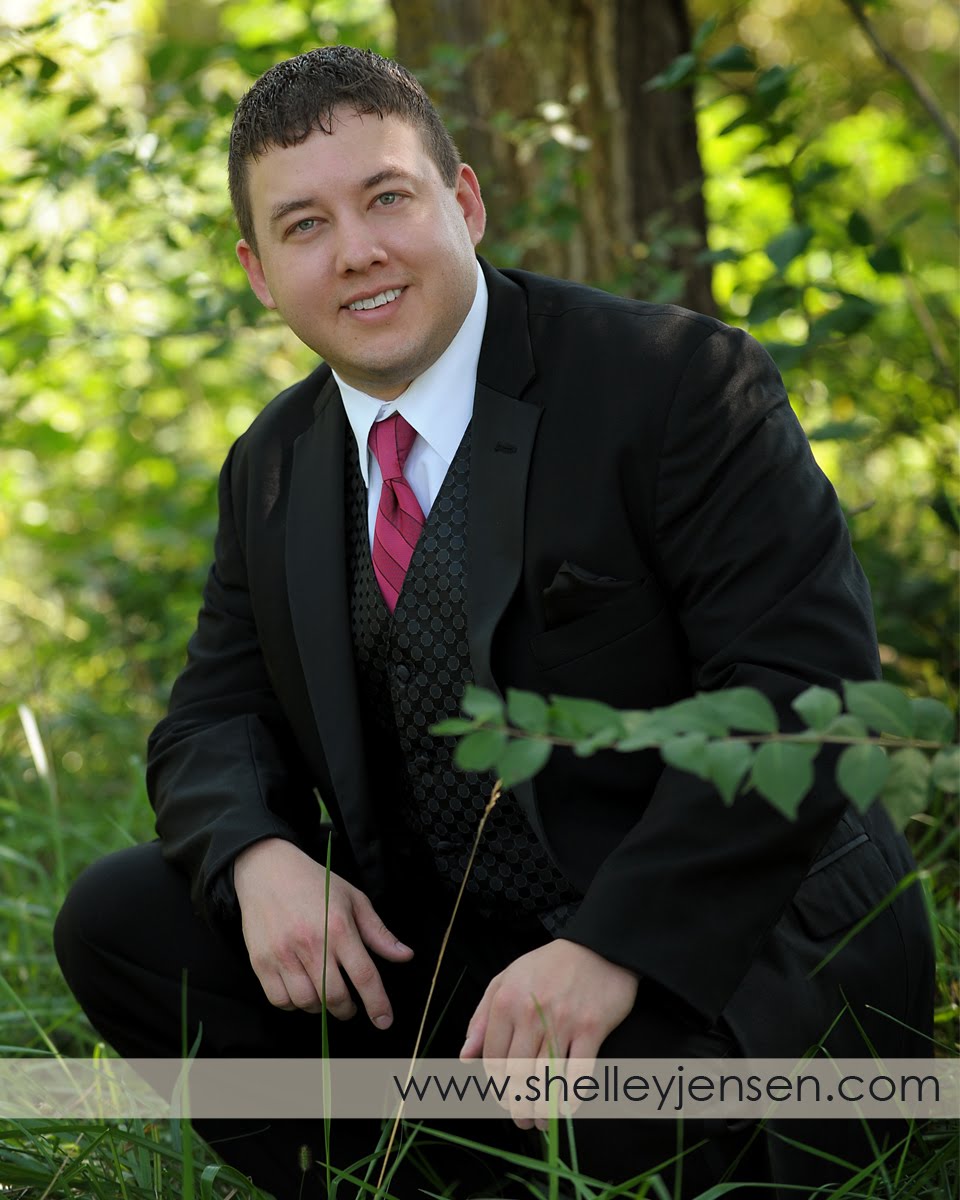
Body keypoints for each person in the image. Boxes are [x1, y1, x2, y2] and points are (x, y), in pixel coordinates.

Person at [54, 44, 933, 1199]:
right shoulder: (272, 465)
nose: (358, 250)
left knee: (622, 1106)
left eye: (387, 198)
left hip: (727, 951)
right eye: (304, 225)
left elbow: (803, 701)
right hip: (463, 962)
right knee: (121, 918)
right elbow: (211, 718)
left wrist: (615, 946)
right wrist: (256, 852)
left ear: (463, 200)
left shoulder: (672, 384)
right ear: (259, 273)